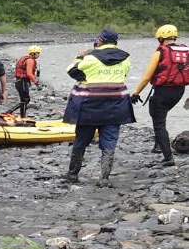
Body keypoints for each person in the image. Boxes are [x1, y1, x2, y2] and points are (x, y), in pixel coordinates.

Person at [63, 29, 134, 186]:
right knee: (109, 140)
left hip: (89, 107)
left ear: (100, 41)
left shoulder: (89, 58)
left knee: (81, 139)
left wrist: (80, 56)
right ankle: (104, 178)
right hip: (115, 107)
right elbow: (124, 75)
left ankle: (72, 174)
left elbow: (71, 70)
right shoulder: (125, 59)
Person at [131, 24, 189, 168]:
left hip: (163, 91)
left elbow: (146, 77)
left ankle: (168, 157)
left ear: (160, 38)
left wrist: (136, 93)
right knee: (161, 117)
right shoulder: (186, 51)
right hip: (179, 91)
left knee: (159, 123)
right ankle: (158, 145)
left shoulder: (160, 52)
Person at [12, 46, 42, 117]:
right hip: (22, 82)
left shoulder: (28, 59)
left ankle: (19, 115)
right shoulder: (30, 61)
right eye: (37, 53)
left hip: (21, 82)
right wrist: (36, 83)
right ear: (33, 53)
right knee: (25, 100)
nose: (38, 55)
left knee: (24, 100)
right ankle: (21, 117)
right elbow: (29, 73)